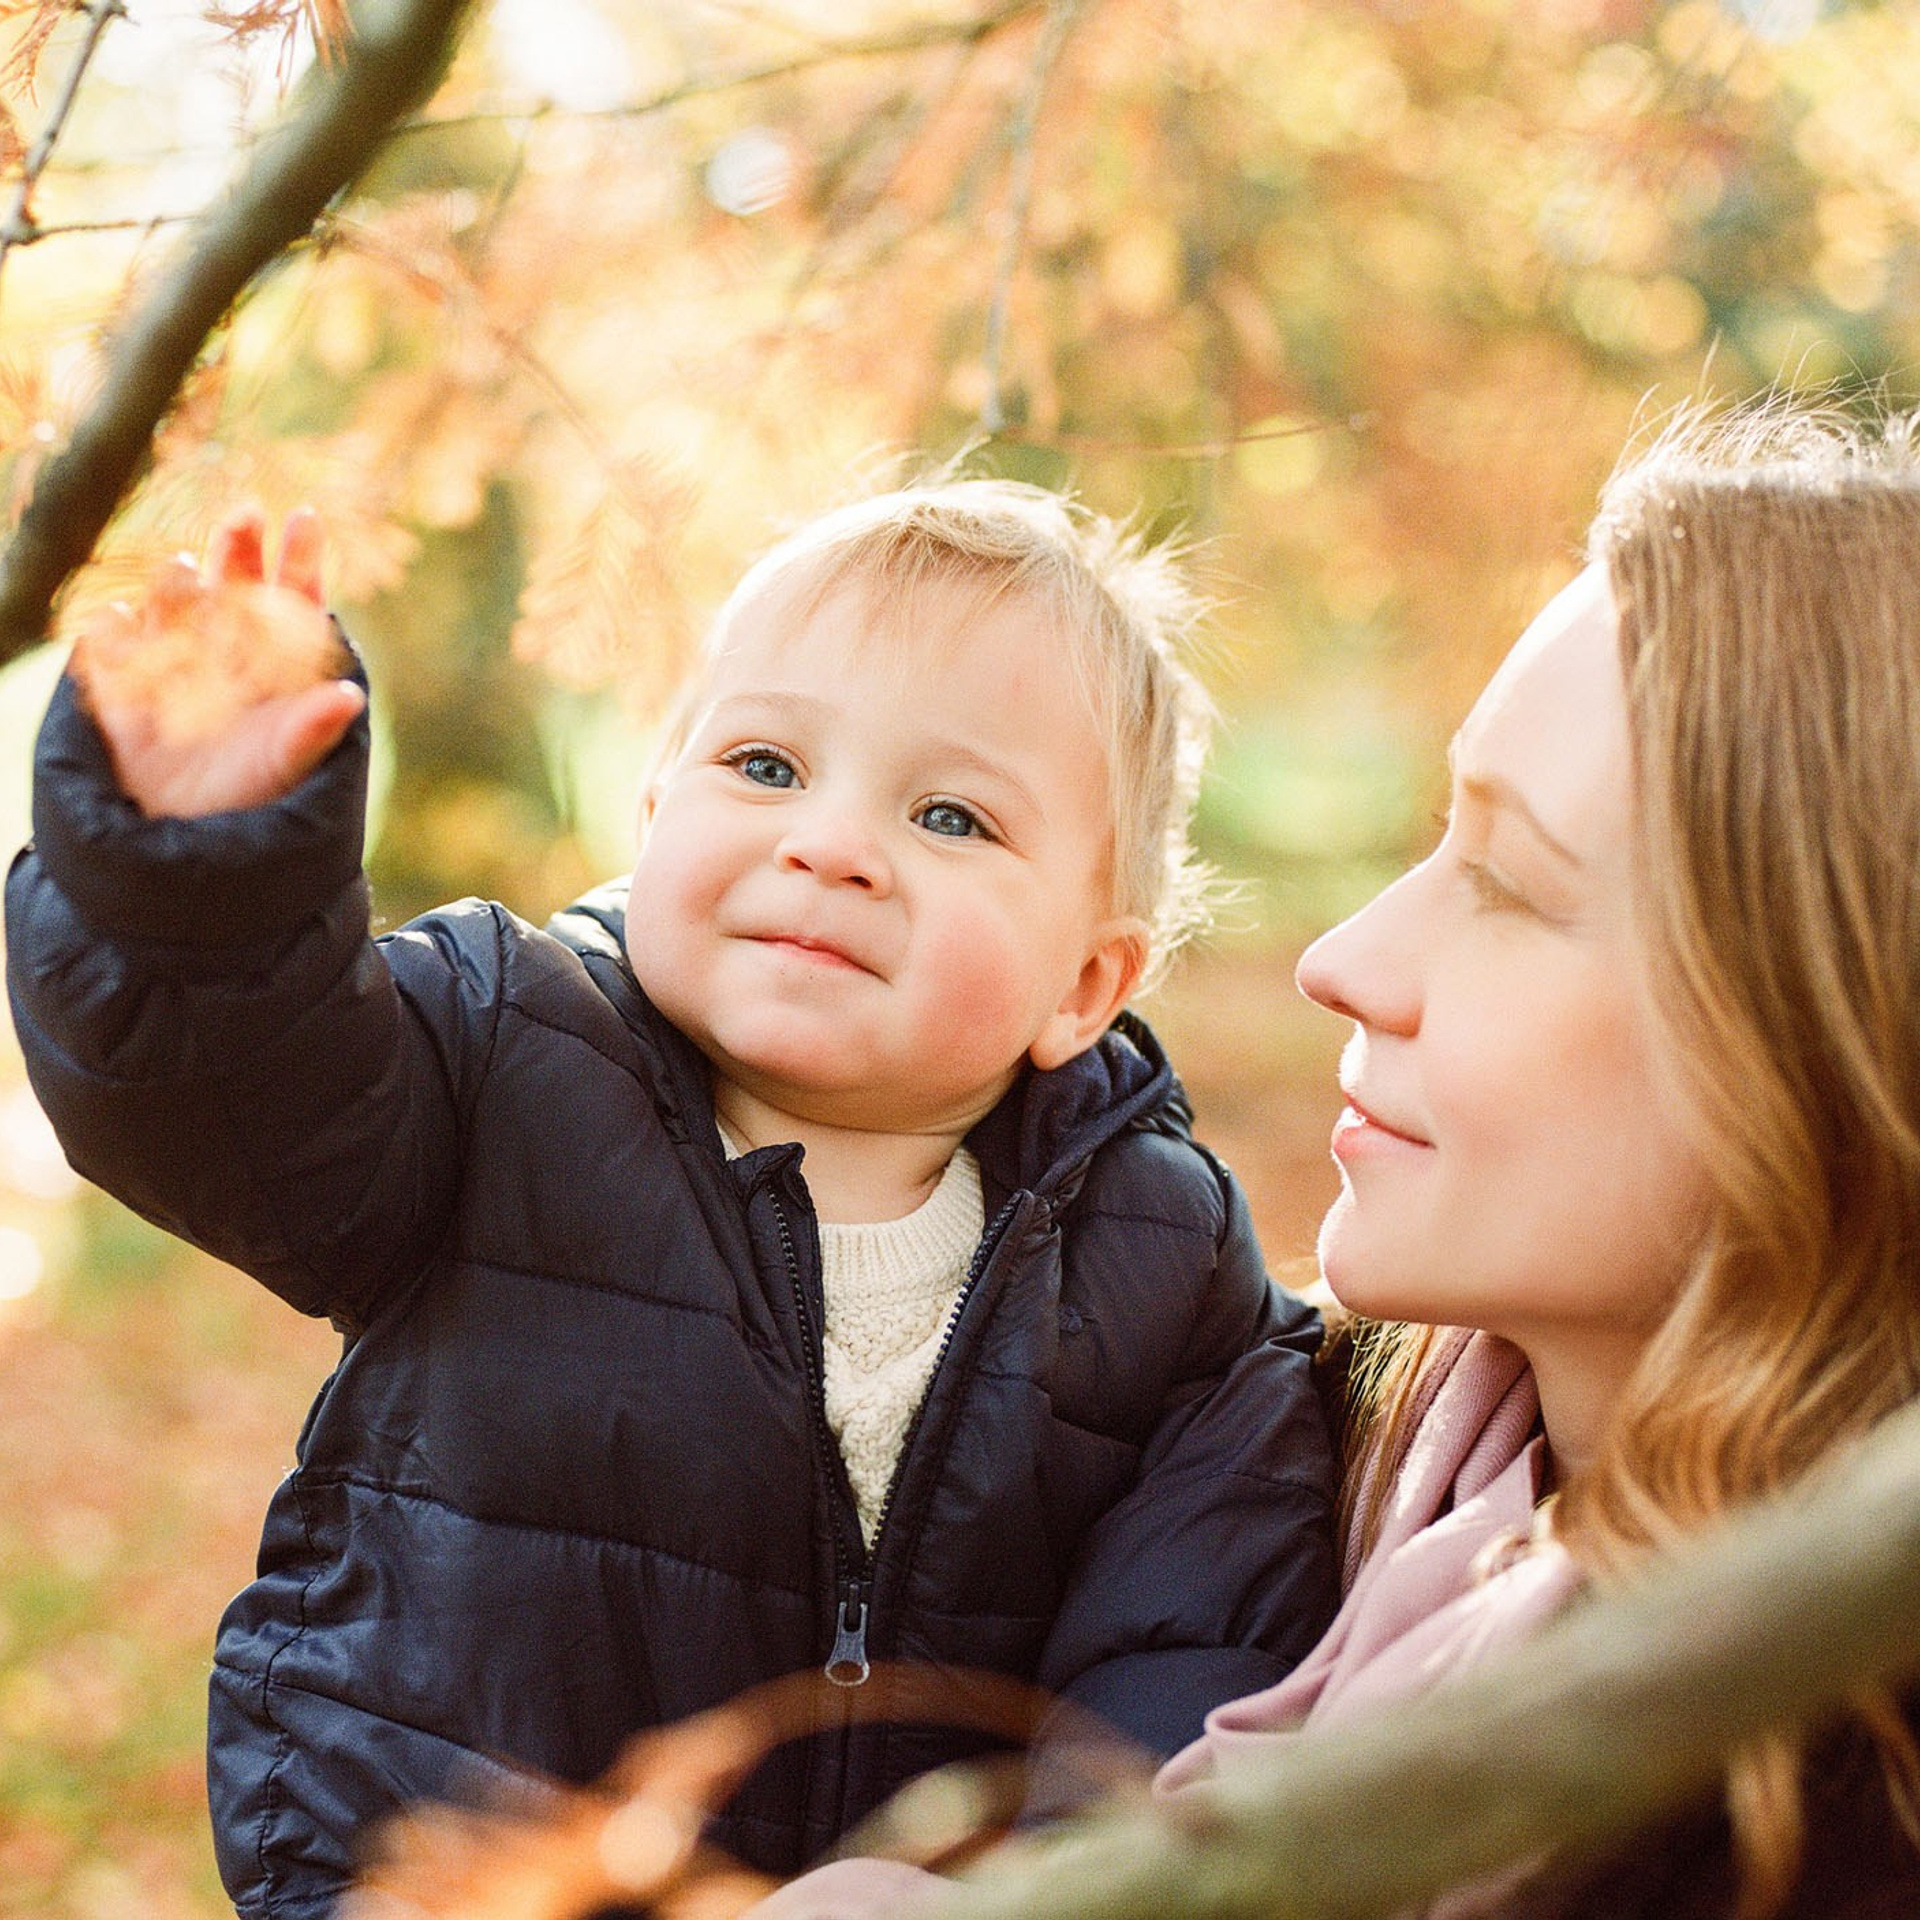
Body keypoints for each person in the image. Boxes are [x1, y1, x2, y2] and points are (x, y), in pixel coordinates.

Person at [3, 478, 1338, 1920]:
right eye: (767, 766)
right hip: (457, 1886)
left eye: (949, 815)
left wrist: (1044, 1889)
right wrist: (197, 876)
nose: (829, 844)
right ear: (654, 808)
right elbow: (227, 1106)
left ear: (1086, 984)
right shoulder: (497, 1054)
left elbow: (1189, 1645)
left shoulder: (1162, 1257)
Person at [740, 401, 1920, 1919]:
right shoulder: (1233, 1460)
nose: (1345, 958)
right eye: (1436, 841)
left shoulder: (1834, 1823)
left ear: (1829, 1042)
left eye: (1508, 883)